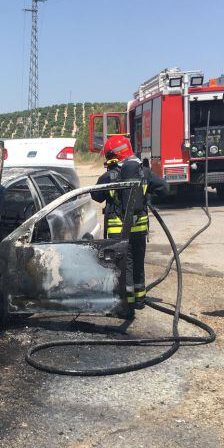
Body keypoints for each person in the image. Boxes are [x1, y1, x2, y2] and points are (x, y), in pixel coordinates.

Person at [91, 135, 168, 316]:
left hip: (118, 231)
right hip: (139, 229)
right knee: (138, 263)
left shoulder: (109, 176)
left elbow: (96, 196)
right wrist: (147, 195)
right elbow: (165, 189)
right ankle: (139, 300)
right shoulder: (144, 172)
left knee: (122, 266)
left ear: (113, 154)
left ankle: (125, 303)